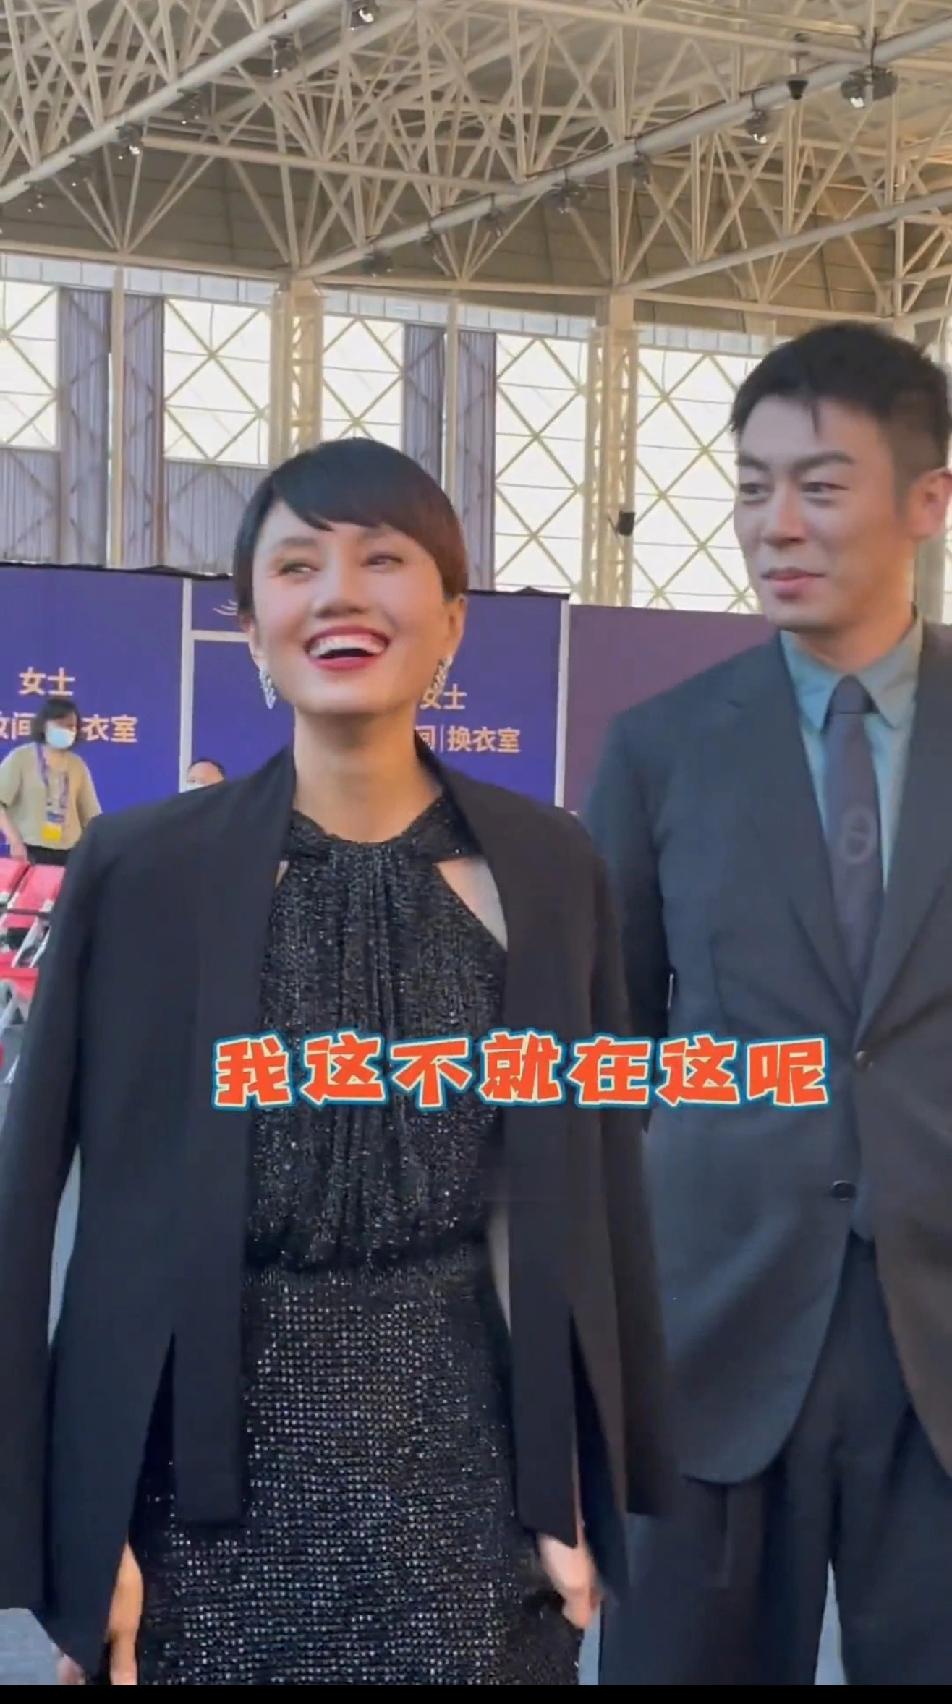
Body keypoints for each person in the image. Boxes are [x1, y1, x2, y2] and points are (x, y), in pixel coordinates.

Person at [0, 437, 670, 1686]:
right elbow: (34, 1207)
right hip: (197, 1502)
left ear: (453, 618)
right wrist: (73, 1542)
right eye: (298, 565)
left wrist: (576, 1487)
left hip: (469, 1495)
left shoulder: (550, 870)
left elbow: (583, 1199)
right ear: (252, 623)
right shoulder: (141, 872)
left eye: (383, 559)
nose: (339, 594)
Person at [585, 321, 952, 1686]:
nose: (774, 524)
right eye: (751, 487)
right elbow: (605, 1056)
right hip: (711, 1339)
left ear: (926, 501)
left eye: (819, 485)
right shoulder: (661, 749)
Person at [0, 695, 100, 866]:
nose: (66, 730)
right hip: (29, 849)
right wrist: (15, 841)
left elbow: (91, 816)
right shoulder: (21, 757)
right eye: (60, 724)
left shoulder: (77, 765)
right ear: (44, 725)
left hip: (70, 852)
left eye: (71, 726)